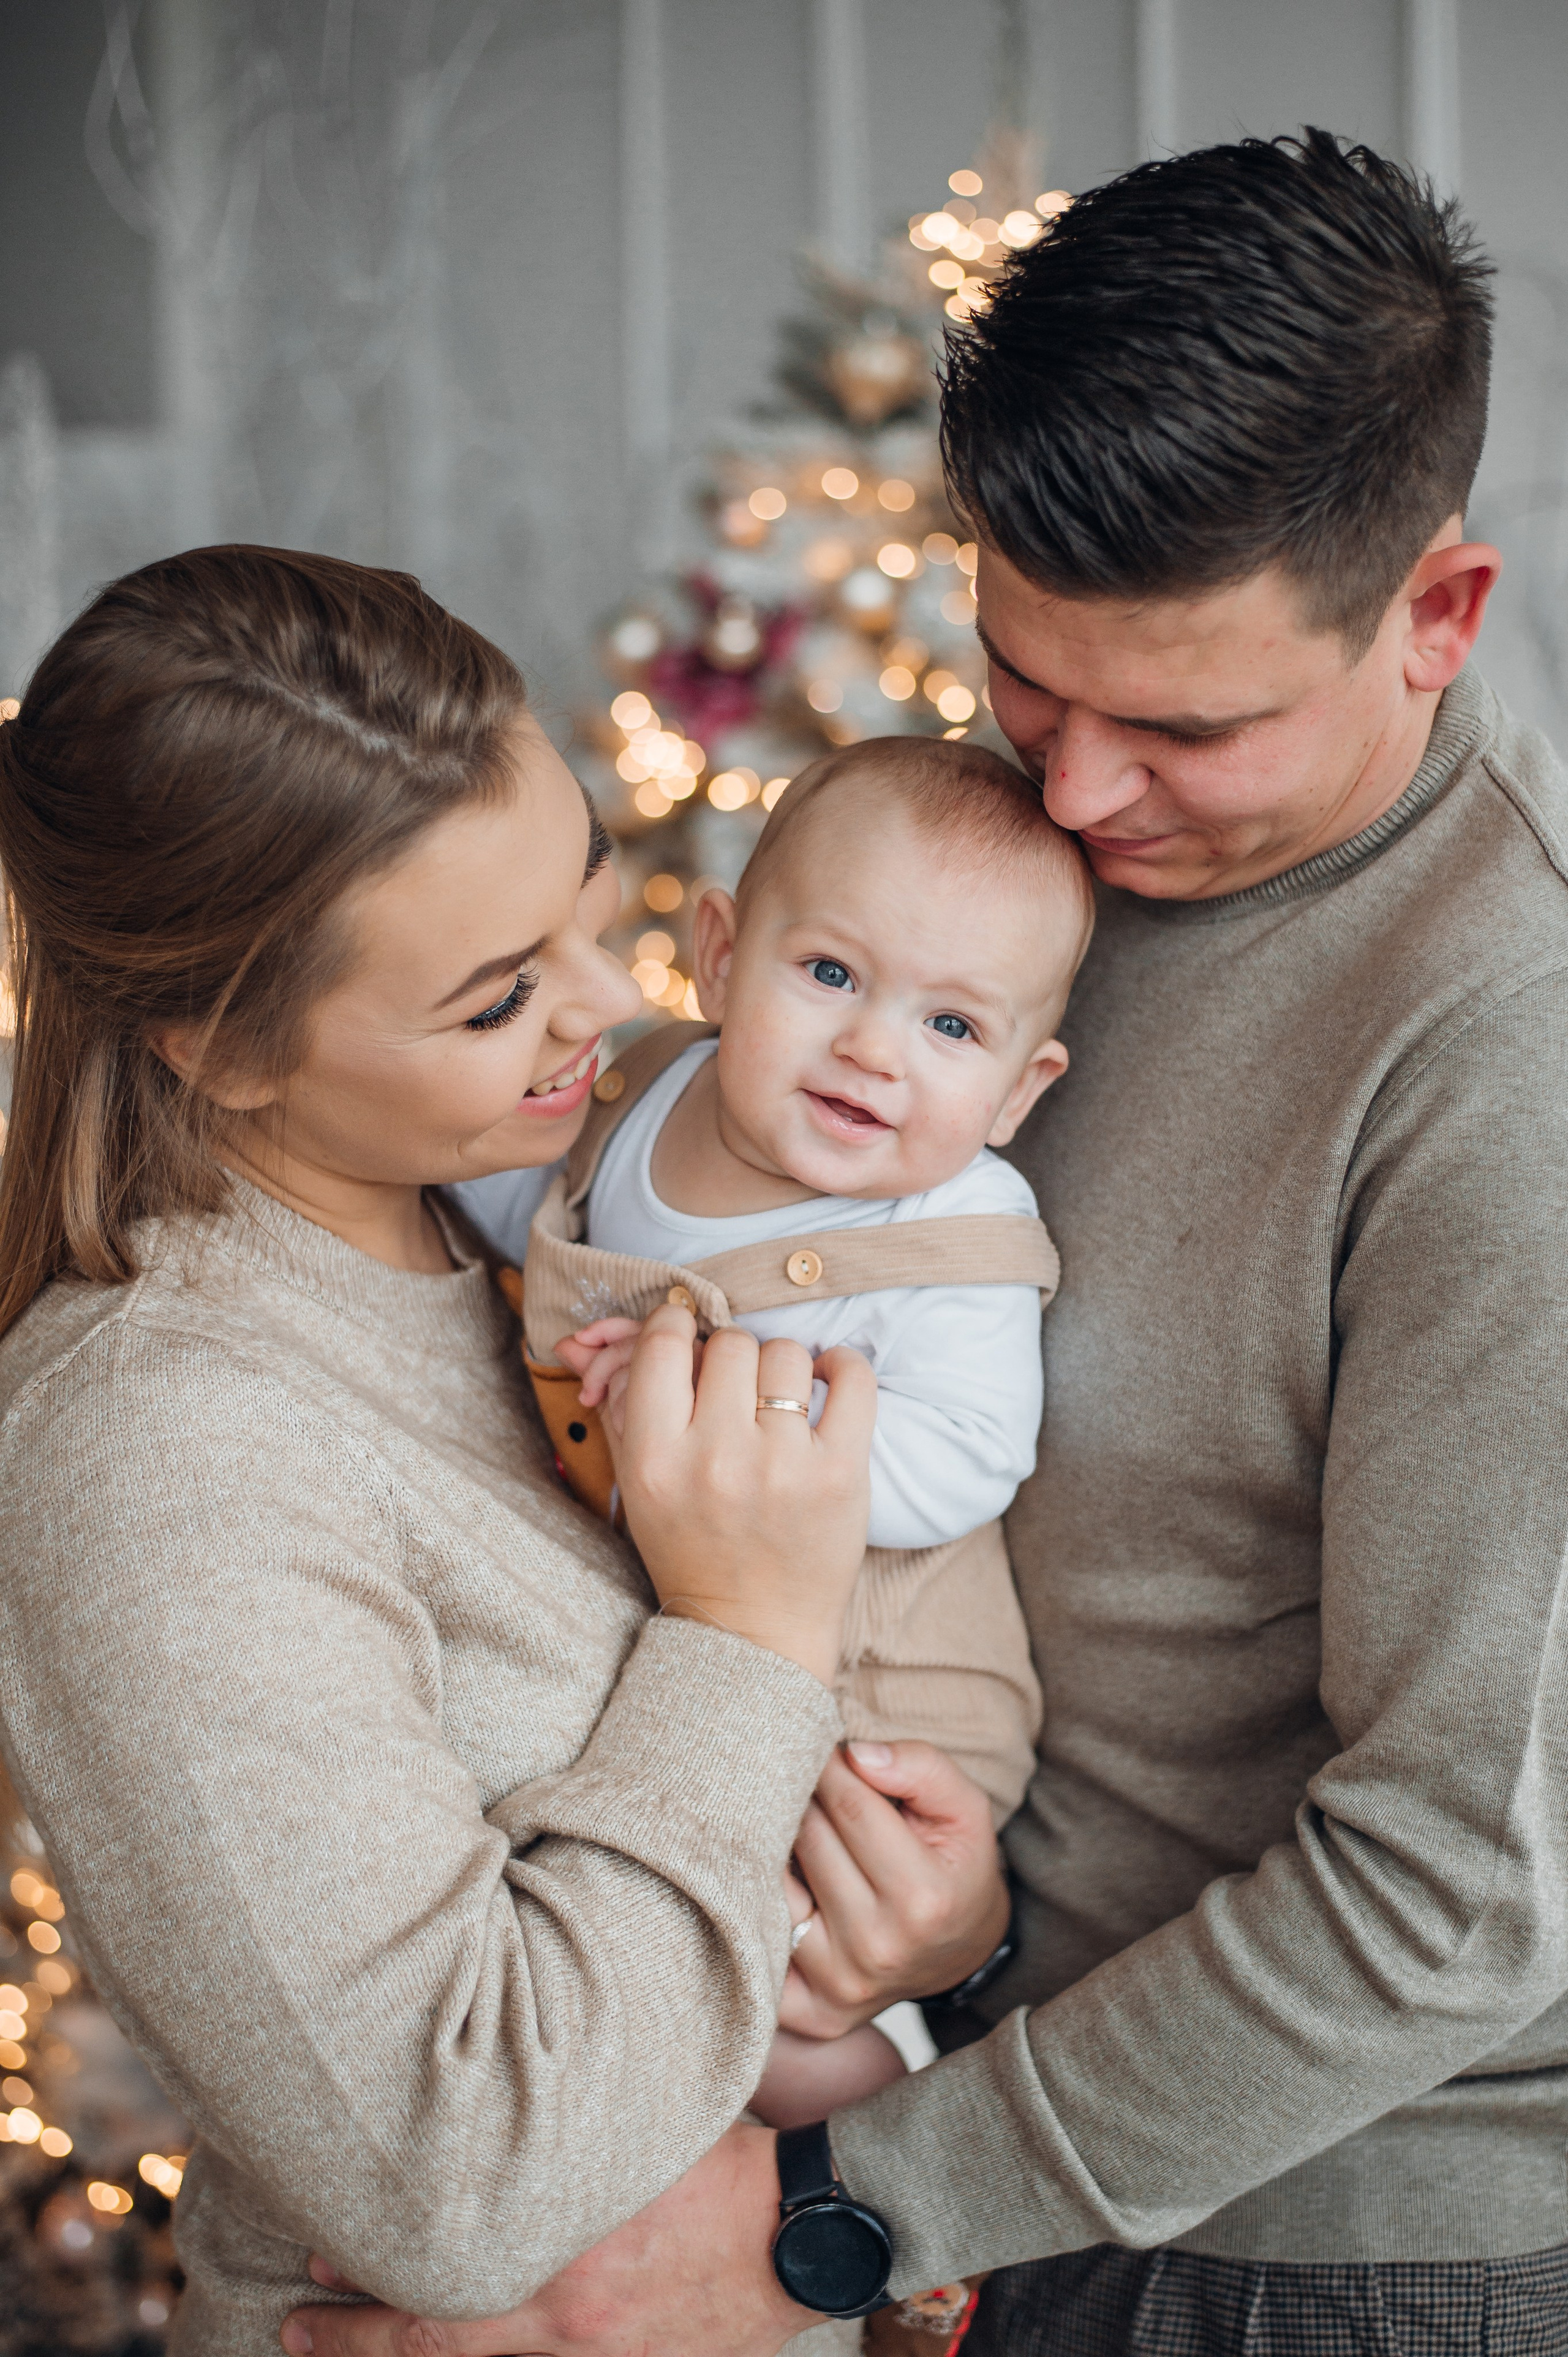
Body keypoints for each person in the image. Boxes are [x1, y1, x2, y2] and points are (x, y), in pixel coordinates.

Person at [283, 129, 1568, 2357]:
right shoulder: (978, 881)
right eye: (1023, 680)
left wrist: (829, 2218)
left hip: (1325, 2258)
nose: (1073, 798)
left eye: (1184, 726)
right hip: (982, 2109)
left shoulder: (1502, 1072)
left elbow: (1462, 1890)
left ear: (1434, 619)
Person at [0, 546, 1008, 2357]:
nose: (609, 1003)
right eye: (491, 997)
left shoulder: (535, 1208)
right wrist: (748, 1635)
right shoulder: (157, 1449)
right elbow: (452, 2179)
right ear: (225, 1050)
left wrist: (936, 1932)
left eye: (587, 897)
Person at [472, 735, 1093, 2129]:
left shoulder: (955, 1229)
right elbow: (533, 1213)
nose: (874, 1049)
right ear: (719, 955)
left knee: (772, 1994)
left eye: (952, 1029)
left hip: (885, 1696)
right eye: (829, 975)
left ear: (1016, 1090)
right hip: (694, 1646)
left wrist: (730, 1404)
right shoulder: (644, 1091)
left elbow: (969, 1454)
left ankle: (877, 2149)